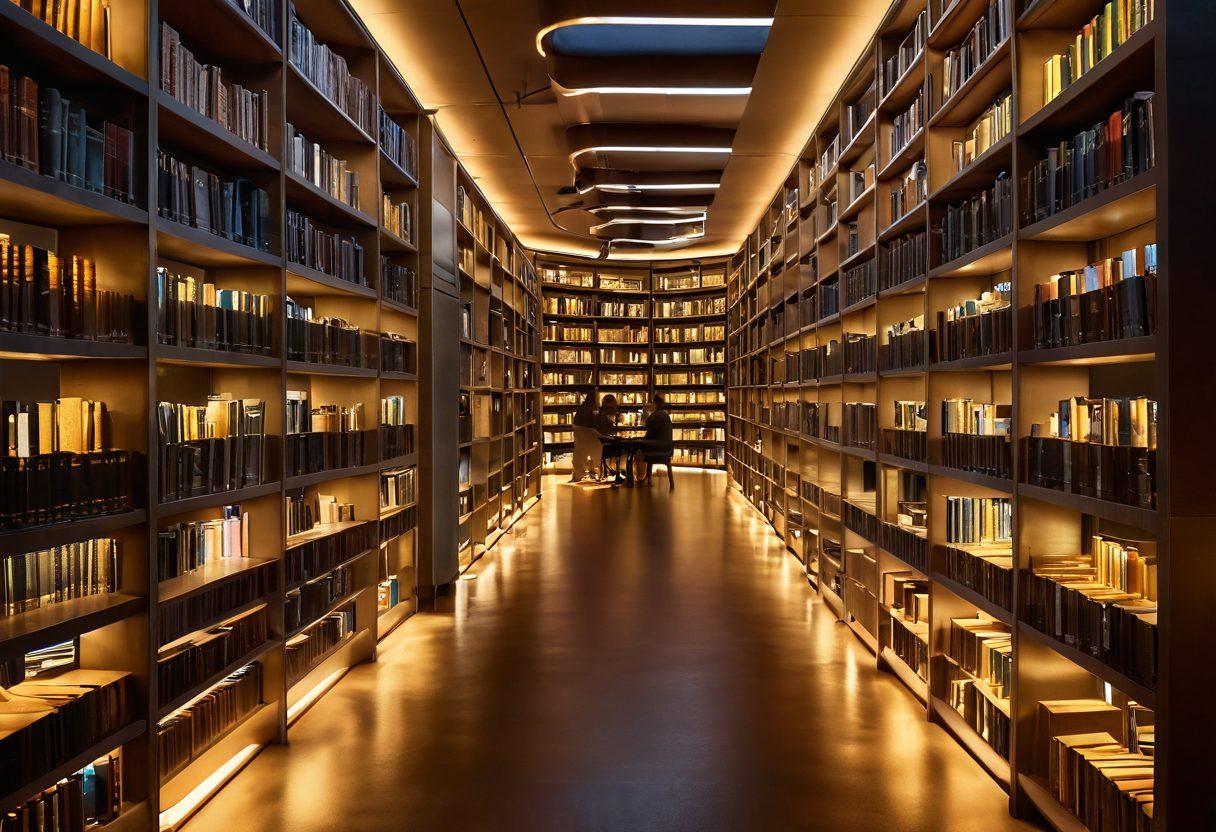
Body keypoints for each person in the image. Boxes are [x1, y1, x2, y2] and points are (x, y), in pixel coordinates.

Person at [639, 393, 675, 490]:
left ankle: (637, 476)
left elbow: (645, 424)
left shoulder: (657, 414)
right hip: (666, 448)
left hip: (656, 447)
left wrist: (645, 411)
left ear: (655, 404)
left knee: (636, 446)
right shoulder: (664, 414)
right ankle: (646, 476)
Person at [569, 391, 600, 483]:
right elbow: (594, 424)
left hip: (580, 438)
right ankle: (596, 470)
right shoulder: (593, 409)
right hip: (590, 436)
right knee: (601, 445)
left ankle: (579, 473)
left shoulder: (582, 407)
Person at [595, 394, 625, 483]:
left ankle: (613, 470)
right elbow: (612, 430)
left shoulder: (599, 414)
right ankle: (618, 471)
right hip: (606, 446)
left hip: (599, 445)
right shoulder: (607, 416)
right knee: (623, 446)